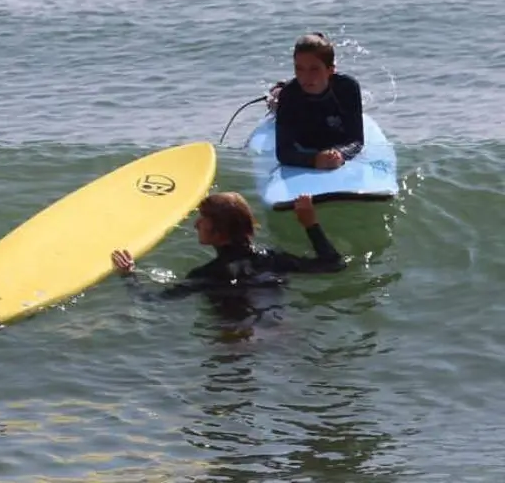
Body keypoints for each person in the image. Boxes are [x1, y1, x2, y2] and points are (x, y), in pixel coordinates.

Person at [110, 192, 345, 302]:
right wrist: (310, 223)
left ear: (219, 233)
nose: (196, 224)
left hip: (235, 340)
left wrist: (129, 275)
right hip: (280, 331)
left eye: (203, 219)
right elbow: (334, 265)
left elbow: (151, 301)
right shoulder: (273, 259)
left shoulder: (207, 275)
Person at [268, 32, 364, 170]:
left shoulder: (347, 87)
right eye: (299, 69)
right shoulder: (289, 95)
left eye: (314, 69)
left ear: (330, 70)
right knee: (278, 102)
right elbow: (284, 152)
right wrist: (314, 160)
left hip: (333, 143)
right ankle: (275, 95)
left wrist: (340, 154)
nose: (305, 77)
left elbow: (356, 141)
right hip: (303, 138)